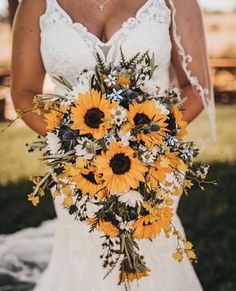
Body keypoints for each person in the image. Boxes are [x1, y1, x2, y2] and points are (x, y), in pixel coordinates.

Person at [11, 0, 215, 290]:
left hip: (153, 160)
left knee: (154, 248)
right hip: (75, 165)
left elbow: (196, 87)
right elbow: (23, 92)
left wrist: (144, 139)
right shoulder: (37, 4)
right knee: (85, 252)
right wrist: (78, 143)